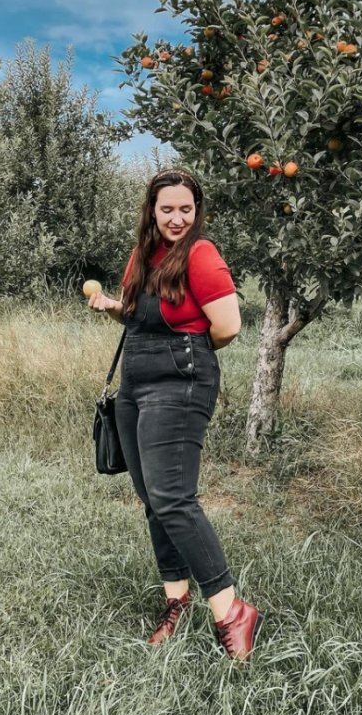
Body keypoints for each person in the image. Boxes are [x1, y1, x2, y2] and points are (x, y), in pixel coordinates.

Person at [88, 168, 265, 663]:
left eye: (185, 209)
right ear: (152, 211)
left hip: (180, 379)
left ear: (196, 210)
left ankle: (232, 612)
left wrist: (181, 352)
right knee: (152, 498)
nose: (177, 218)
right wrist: (110, 306)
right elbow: (135, 311)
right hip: (135, 380)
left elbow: (226, 326)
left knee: (173, 497)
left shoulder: (201, 254)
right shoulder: (144, 255)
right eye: (167, 209)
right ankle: (176, 600)